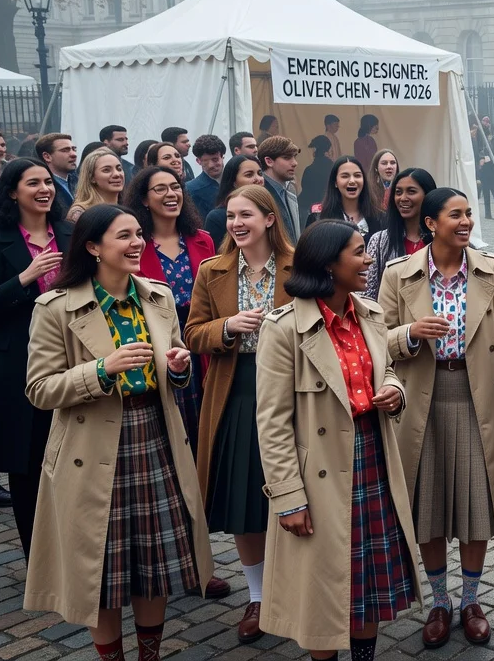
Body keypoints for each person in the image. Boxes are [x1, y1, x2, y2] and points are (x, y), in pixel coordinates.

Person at [24, 204, 214, 661]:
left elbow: (172, 366)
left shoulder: (159, 296)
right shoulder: (55, 307)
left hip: (156, 435)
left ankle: (149, 655)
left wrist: (178, 367)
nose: (137, 244)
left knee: (156, 562)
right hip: (89, 448)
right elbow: (39, 389)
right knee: (101, 570)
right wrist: (101, 370)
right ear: (92, 247)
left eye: (138, 234)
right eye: (124, 236)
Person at [255, 220, 418, 659]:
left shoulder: (370, 313)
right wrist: (289, 497)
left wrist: (395, 391)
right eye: (359, 252)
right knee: (323, 591)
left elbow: (386, 369)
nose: (368, 260)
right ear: (328, 262)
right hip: (318, 474)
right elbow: (271, 422)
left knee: (366, 586)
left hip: (373, 458)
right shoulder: (283, 327)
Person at [379, 186, 494, 649]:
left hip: (479, 396)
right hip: (421, 397)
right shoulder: (398, 275)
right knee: (431, 504)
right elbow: (376, 339)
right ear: (431, 224)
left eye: (469, 214)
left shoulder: (491, 271)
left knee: (476, 502)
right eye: (455, 215)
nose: (465, 222)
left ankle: (471, 600)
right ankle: (439, 600)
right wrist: (410, 333)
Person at [184, 185, 295, 644]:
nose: (235, 224)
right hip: (236, 391)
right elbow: (192, 333)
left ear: (269, 218)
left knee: (293, 495)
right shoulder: (214, 271)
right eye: (230, 216)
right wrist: (227, 327)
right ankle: (257, 596)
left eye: (245, 214)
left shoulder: (299, 263)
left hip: (291, 391)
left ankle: (293, 588)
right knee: (246, 502)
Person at [0, 158, 70, 554]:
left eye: (47, 182)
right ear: (13, 191)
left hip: (70, 358)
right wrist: (24, 277)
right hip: (16, 361)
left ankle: (72, 544)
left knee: (70, 453)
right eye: (33, 183)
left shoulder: (70, 233)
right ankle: (39, 555)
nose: (44, 189)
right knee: (27, 462)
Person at [125, 166, 217, 447]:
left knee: (206, 420)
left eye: (176, 186)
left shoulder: (203, 239)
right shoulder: (135, 245)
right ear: (144, 199)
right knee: (173, 426)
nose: (171, 194)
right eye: (160, 189)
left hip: (200, 339)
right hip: (159, 340)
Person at [365, 168, 436, 299]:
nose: (403, 198)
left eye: (411, 191)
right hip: (391, 317)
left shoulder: (441, 239)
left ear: (428, 195)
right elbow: (368, 291)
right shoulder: (379, 241)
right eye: (398, 192)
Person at [307, 156, 385, 235]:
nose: (352, 181)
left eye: (357, 175)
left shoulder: (381, 219)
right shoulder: (317, 220)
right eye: (345, 176)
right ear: (335, 182)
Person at [204, 156, 266, 247]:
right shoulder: (217, 218)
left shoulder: (268, 210)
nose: (258, 179)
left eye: (260, 174)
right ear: (234, 182)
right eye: (249, 175)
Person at [258, 136, 301, 242]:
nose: (295, 163)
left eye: (294, 157)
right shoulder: (259, 194)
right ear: (269, 161)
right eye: (287, 157)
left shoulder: (290, 191)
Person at [68, 149, 127, 223]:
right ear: (92, 177)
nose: (117, 174)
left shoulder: (127, 208)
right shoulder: (80, 213)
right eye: (106, 170)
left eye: (119, 169)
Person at [186, 135, 225, 219]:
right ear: (198, 161)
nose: (211, 165)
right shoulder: (191, 189)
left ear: (222, 156)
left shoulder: (237, 180)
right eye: (205, 161)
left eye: (215, 159)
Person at [299, 134, 336, 217]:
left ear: (315, 150)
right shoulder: (335, 169)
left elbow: (305, 189)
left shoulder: (309, 170)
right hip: (330, 209)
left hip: (309, 209)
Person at [37, 133, 78, 209]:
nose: (73, 154)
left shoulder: (78, 181)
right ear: (47, 157)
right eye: (65, 150)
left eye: (74, 149)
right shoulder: (43, 189)